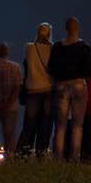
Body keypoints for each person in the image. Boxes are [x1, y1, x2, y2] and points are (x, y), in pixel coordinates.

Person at [49, 16, 91, 162]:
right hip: (79, 85)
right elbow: (88, 71)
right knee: (77, 126)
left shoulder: (57, 47)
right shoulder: (84, 47)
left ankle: (58, 157)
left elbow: (51, 68)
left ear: (66, 28)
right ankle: (75, 157)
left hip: (61, 86)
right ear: (78, 28)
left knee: (60, 126)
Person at [18, 22, 54, 157]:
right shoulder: (52, 49)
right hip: (48, 91)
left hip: (32, 91)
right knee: (45, 128)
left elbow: (26, 65)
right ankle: (41, 157)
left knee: (28, 127)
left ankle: (21, 157)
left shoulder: (29, 47)